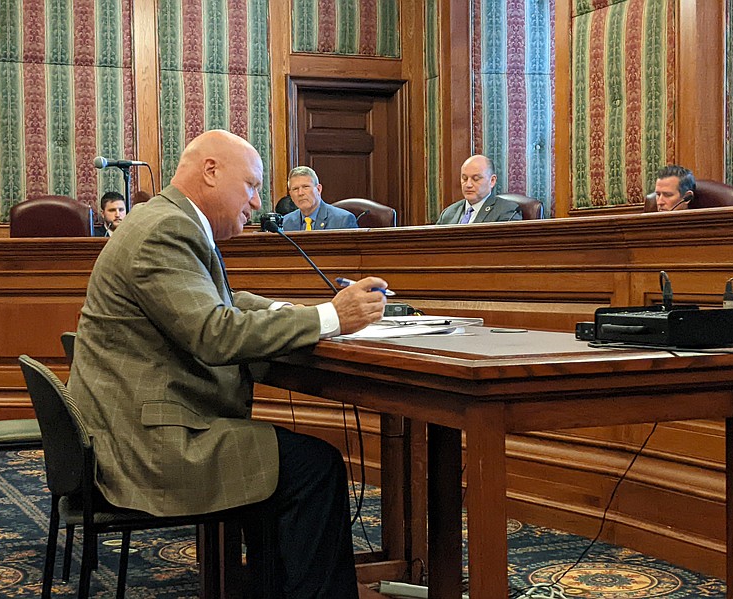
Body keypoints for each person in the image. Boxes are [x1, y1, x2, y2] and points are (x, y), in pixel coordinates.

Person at [68, 130, 388, 598]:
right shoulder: (165, 230)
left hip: (138, 425)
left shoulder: (166, 219)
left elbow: (221, 301)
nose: (258, 203)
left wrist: (288, 312)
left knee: (298, 464)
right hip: (149, 446)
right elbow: (213, 333)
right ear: (211, 172)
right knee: (316, 469)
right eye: (253, 186)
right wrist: (331, 317)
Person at [436, 155, 522, 224]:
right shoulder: (448, 213)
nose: (468, 185)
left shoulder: (507, 211)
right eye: (464, 179)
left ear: (492, 181)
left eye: (476, 179)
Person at [282, 166, 359, 231]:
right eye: (295, 189)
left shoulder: (343, 220)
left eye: (305, 187)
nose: (300, 193)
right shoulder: (285, 223)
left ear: (318, 189)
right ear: (291, 194)